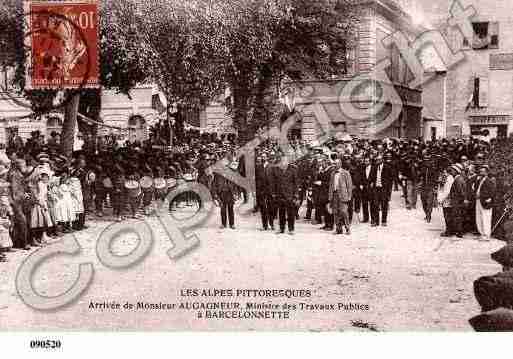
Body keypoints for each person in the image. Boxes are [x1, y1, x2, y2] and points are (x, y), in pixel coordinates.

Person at [270, 151, 299, 235]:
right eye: (282, 161)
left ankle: (291, 229)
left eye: (285, 161)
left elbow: (296, 183)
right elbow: (273, 182)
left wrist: (296, 194)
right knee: (281, 212)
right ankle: (281, 228)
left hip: (290, 194)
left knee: (290, 213)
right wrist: (273, 192)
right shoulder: (276, 169)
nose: (283, 162)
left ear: (288, 161)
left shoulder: (293, 169)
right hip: (280, 194)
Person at [212, 157, 239, 230]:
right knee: (223, 209)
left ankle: (232, 224)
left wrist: (236, 193)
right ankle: (223, 224)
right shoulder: (217, 174)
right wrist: (214, 194)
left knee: (231, 208)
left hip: (230, 193)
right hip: (221, 193)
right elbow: (214, 184)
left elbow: (235, 184)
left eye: (226, 165)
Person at [369, 154, 396, 227]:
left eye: (379, 159)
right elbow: (371, 177)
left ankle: (384, 221)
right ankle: (376, 221)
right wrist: (371, 183)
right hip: (376, 188)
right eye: (377, 160)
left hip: (384, 189)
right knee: (375, 205)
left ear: (382, 160)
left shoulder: (387, 168)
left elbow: (391, 179)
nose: (378, 161)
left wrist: (389, 190)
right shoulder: (374, 167)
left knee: (384, 205)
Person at [329, 158, 353, 235]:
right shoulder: (332, 173)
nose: (334, 165)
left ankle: (347, 228)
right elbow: (331, 185)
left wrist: (349, 196)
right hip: (334, 194)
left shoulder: (346, 173)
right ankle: (338, 229)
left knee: (344, 212)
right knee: (335, 212)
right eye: (334, 164)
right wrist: (330, 197)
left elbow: (349, 185)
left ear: (340, 164)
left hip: (343, 195)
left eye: (336, 164)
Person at [475, 165, 496, 241]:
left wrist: (489, 198)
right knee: (479, 217)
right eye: (480, 171)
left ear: (486, 172)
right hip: (478, 200)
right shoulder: (479, 180)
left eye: (482, 171)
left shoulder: (489, 181)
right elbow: (476, 189)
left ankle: (487, 235)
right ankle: (482, 233)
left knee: (486, 218)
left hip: (485, 202)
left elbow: (493, 192)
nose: (481, 172)